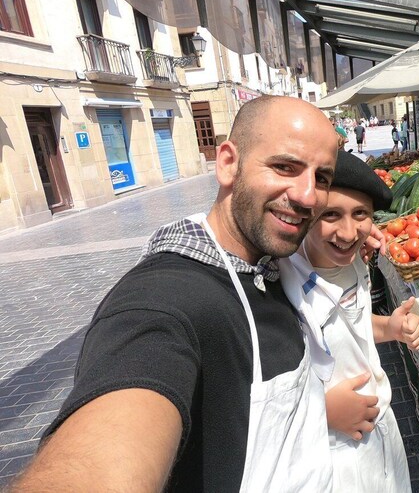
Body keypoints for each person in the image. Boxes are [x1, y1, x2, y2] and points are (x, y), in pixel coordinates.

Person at [9, 96, 344, 492]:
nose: (307, 196)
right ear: (227, 163)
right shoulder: (164, 299)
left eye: (321, 178)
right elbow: (101, 457)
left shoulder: (268, 261)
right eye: (284, 167)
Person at [279, 151, 419, 492]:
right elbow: (261, 394)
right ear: (308, 214)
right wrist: (323, 411)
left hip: (381, 430)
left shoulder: (355, 262)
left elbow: (353, 324)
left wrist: (390, 328)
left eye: (360, 214)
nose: (347, 231)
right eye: (331, 214)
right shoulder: (282, 279)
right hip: (330, 450)